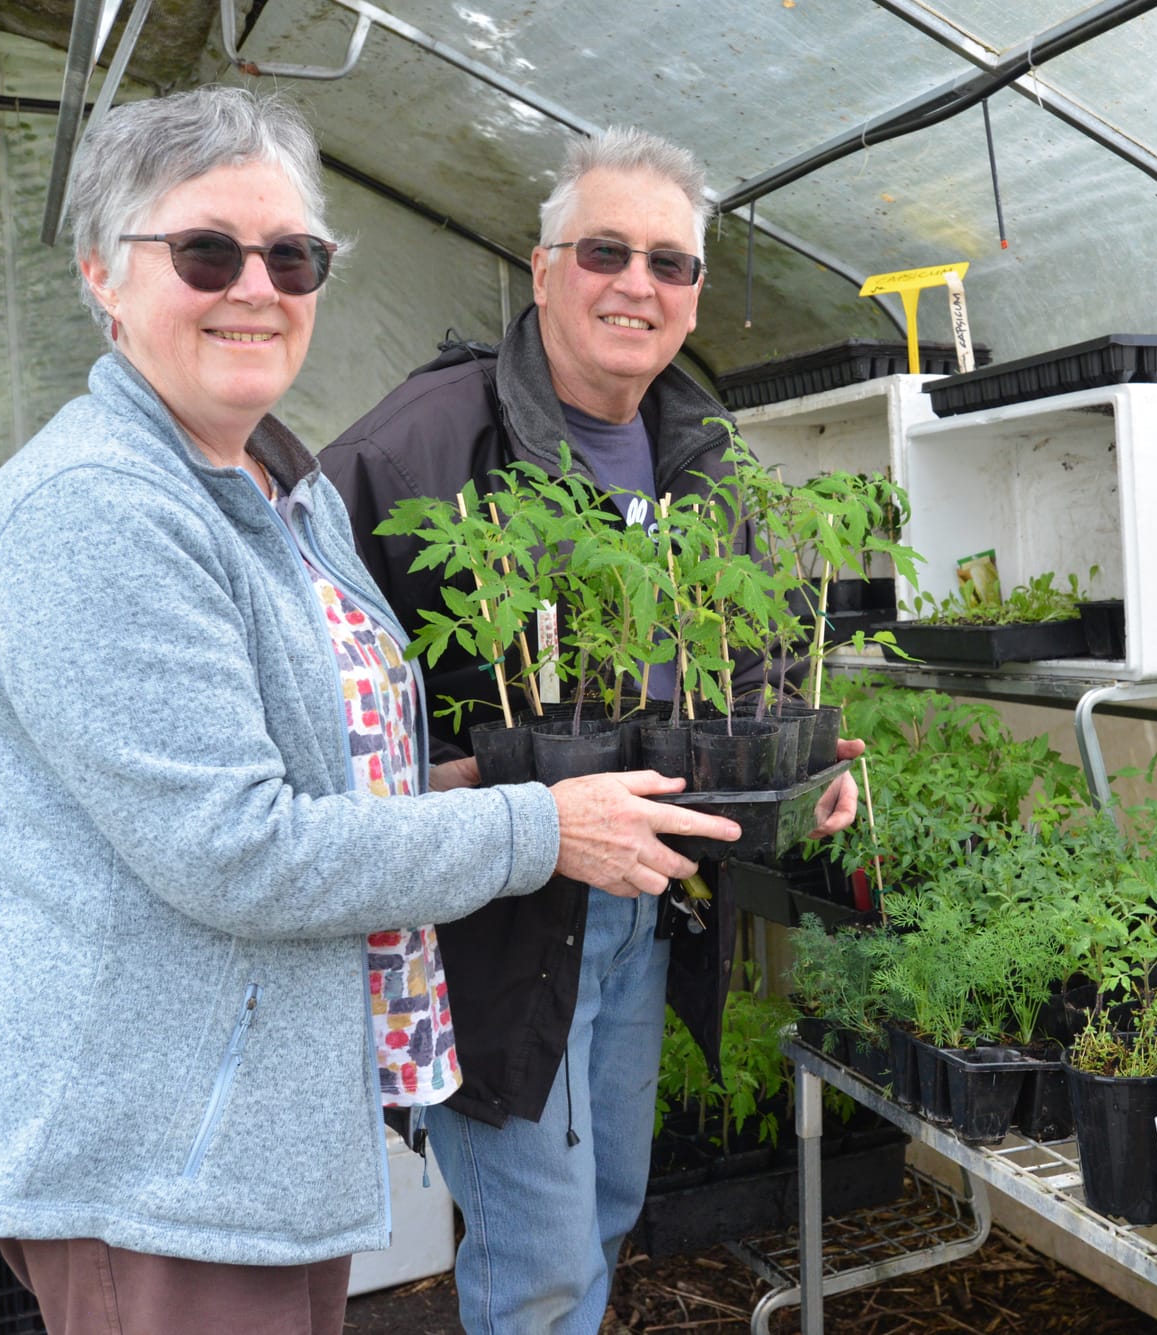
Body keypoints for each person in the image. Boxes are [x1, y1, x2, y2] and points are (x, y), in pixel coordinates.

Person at [0, 89, 737, 1335]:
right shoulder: (96, 508)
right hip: (160, 1158)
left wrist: (466, 783)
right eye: (207, 251)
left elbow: (323, 773)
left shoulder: (272, 484)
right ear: (103, 272)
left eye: (293, 256)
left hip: (261, 1136)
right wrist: (538, 825)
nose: (257, 287)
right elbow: (238, 849)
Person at [321, 126, 862, 1334]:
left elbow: (757, 652)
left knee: (609, 1205)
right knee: (541, 1259)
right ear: (542, 269)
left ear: (694, 294)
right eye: (604, 251)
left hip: (650, 902)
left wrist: (803, 757)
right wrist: (458, 778)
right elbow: (316, 694)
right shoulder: (414, 447)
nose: (637, 284)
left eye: (670, 263)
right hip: (495, 921)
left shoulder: (704, 452)